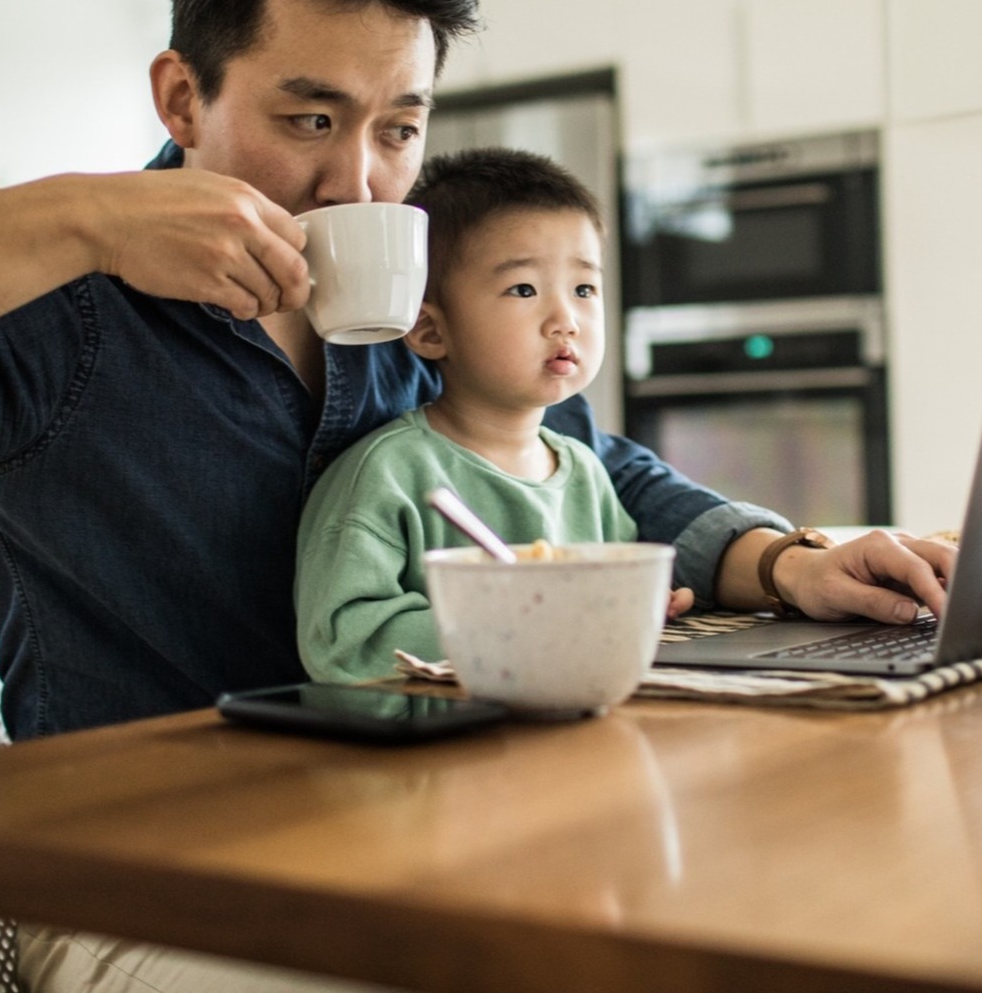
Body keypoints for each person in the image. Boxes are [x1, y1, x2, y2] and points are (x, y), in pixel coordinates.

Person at [0, 0, 955, 993]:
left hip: (425, 827)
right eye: (311, 118)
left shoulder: (418, 305)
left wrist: (783, 559)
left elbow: (588, 461)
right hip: (142, 883)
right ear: (182, 99)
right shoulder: (56, 315)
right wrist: (81, 215)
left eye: (399, 128)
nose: (358, 180)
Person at [296, 147, 697, 684]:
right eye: (523, 289)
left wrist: (639, 604)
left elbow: (599, 602)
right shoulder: (388, 475)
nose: (566, 320)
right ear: (431, 331)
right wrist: (524, 623)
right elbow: (344, 646)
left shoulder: (585, 472)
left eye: (584, 289)